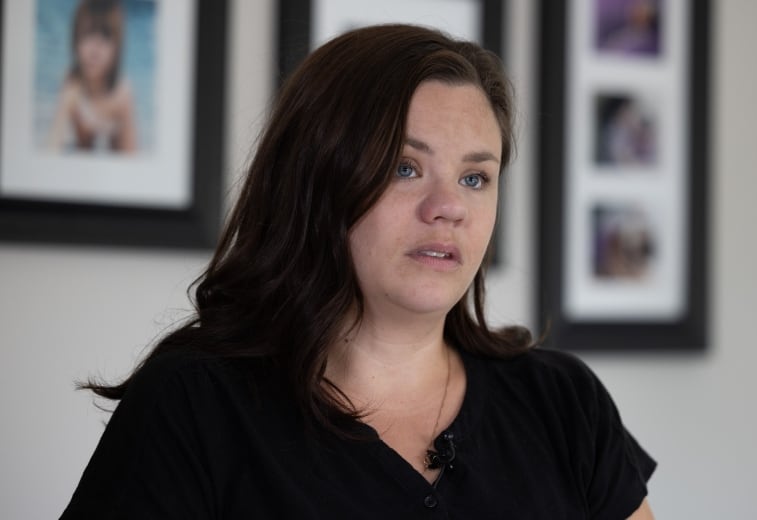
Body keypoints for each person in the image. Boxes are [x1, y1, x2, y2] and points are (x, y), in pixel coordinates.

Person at [60, 24, 655, 518]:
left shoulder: (564, 403)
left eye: (475, 178)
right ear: (316, 181)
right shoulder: (194, 405)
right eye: (403, 167)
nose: (448, 205)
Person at [47, 0, 136, 153]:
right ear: (75, 41)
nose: (95, 49)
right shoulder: (72, 84)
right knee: (83, 147)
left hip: (116, 158)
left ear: (117, 48)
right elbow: (53, 140)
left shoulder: (121, 91)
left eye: (105, 37)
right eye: (87, 35)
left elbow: (133, 154)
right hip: (84, 152)